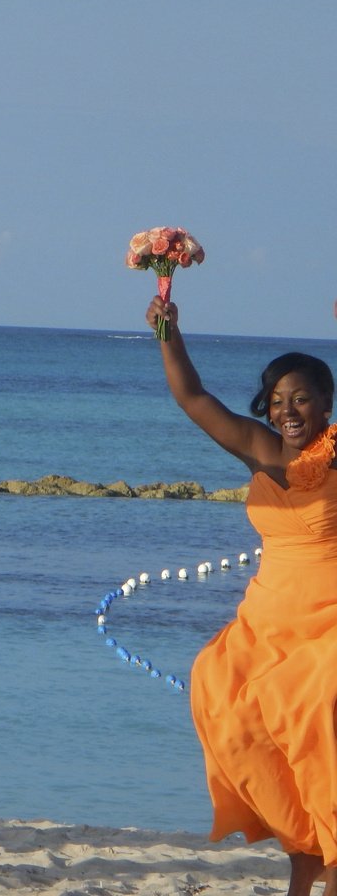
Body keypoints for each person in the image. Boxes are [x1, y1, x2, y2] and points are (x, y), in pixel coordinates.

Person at [148, 295, 337, 896]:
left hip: (327, 632)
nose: (287, 410)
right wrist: (167, 332)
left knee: (321, 747)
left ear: (327, 402)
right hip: (265, 630)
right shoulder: (258, 449)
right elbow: (193, 399)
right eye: (277, 400)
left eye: (301, 397)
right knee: (226, 703)